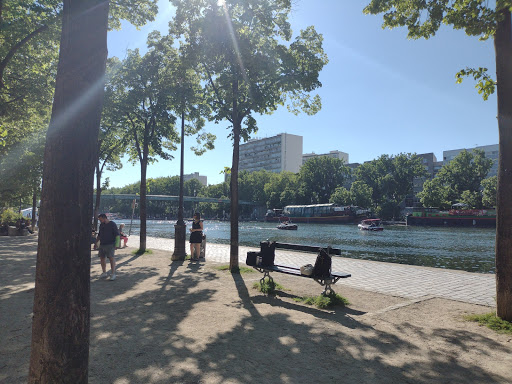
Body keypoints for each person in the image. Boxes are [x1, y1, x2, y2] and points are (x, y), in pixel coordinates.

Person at [96, 213, 119, 280]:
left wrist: (117, 245)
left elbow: (117, 235)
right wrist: (96, 242)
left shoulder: (112, 224)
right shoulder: (101, 225)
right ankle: (104, 272)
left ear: (104, 218)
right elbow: (99, 234)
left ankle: (113, 273)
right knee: (102, 258)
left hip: (110, 244)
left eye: (100, 220)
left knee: (111, 258)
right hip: (102, 244)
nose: (100, 221)